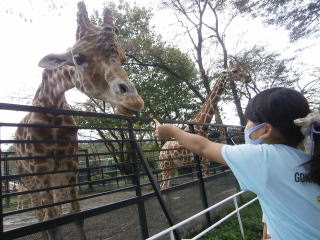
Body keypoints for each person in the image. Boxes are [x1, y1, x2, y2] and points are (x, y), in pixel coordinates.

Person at [154, 87, 320, 240]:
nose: (246, 126)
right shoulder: (310, 157)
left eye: (249, 121)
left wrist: (172, 131)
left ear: (265, 130)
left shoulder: (262, 158)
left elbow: (203, 147)